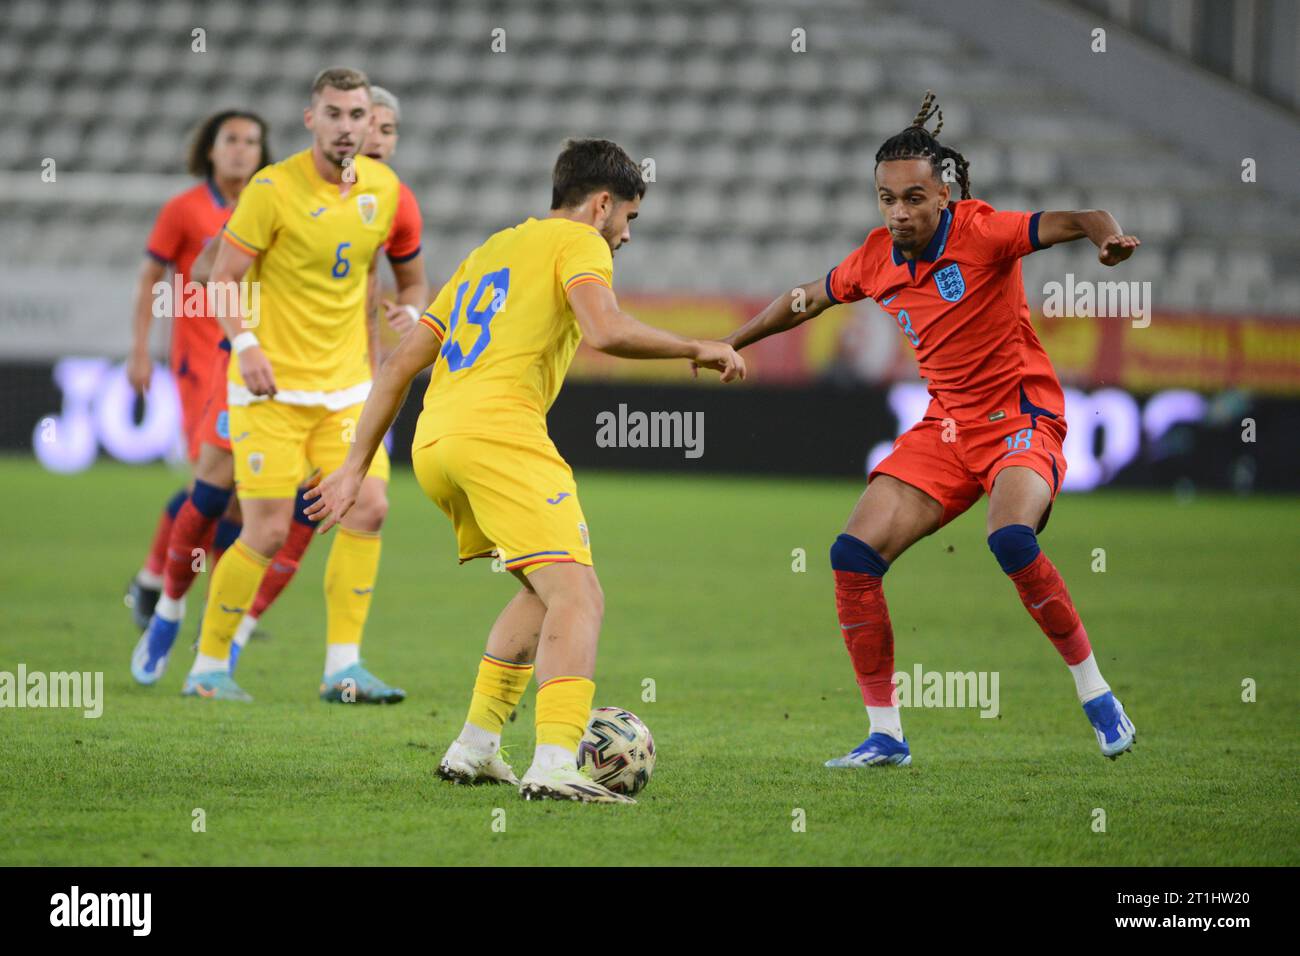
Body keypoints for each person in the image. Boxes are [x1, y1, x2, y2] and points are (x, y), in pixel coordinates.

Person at [306, 139, 745, 802]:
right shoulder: (582, 243)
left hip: (437, 442)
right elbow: (603, 329)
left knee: (542, 593)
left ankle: (475, 748)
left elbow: (399, 365)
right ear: (602, 204)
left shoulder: (491, 251)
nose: (625, 235)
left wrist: (353, 466)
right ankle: (555, 762)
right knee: (580, 595)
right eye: (628, 217)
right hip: (500, 435)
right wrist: (696, 345)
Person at [722, 92, 1139, 767]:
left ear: (943, 196)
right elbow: (805, 298)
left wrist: (1106, 238)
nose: (899, 212)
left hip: (1020, 418)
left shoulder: (984, 232)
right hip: (946, 429)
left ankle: (1095, 694)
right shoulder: (875, 258)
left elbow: (1079, 217)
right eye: (887, 199)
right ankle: (886, 734)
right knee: (852, 557)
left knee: (1009, 537)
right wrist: (732, 342)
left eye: (913, 198)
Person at [178, 66, 409, 703]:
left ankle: (343, 669)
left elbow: (409, 275)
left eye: (356, 115)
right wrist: (246, 342)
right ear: (312, 120)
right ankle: (206, 668)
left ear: (371, 123)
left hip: (344, 396)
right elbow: (218, 277)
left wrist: (409, 311)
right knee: (268, 530)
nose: (346, 126)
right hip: (269, 391)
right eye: (333, 113)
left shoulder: (387, 191)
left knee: (371, 506)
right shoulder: (272, 188)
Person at [123, 111, 269, 631]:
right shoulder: (183, 210)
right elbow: (150, 279)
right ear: (210, 149)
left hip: (251, 358)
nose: (241, 150)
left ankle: (216, 604)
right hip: (199, 364)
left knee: (238, 494)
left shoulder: (270, 203)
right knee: (210, 484)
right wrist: (140, 350)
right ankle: (151, 579)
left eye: (252, 141)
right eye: (230, 140)